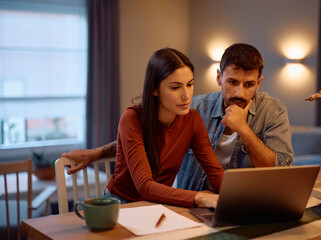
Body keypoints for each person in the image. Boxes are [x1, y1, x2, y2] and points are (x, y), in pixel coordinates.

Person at [62, 43, 293, 192]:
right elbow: (145, 136)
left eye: (248, 84)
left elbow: (282, 170)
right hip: (185, 198)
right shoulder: (193, 108)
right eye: (232, 82)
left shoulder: (273, 111)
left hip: (232, 200)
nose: (238, 93)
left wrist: (244, 129)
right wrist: (97, 153)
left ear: (259, 83)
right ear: (219, 78)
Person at [83, 47, 223, 208]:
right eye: (175, 87)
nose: (186, 95)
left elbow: (215, 174)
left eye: (190, 84)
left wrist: (242, 196)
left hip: (158, 205)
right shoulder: (132, 118)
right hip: (121, 205)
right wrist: (201, 197)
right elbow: (145, 187)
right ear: (155, 89)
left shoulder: (192, 120)